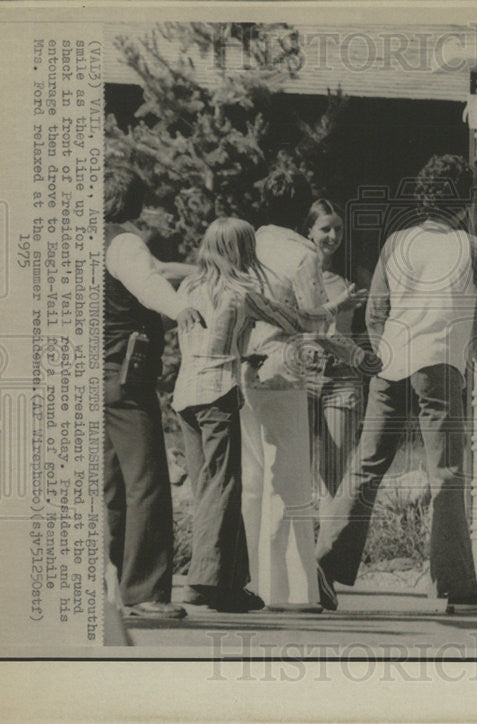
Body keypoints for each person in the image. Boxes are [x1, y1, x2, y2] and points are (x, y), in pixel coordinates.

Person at [315, 154, 477, 615]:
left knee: (366, 466)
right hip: (440, 367)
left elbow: (376, 312)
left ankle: (322, 567)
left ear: (426, 197)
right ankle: (457, 588)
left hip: (390, 362)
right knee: (447, 474)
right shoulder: (475, 249)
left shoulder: (397, 242)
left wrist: (381, 353)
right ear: (465, 200)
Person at [172, 217, 330, 612]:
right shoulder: (243, 291)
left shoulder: (188, 286)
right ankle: (208, 582)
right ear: (243, 252)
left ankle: (227, 580)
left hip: (183, 394)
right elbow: (292, 319)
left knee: (207, 488)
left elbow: (206, 339)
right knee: (226, 489)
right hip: (219, 392)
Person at [241, 170, 373, 612]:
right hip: (286, 367)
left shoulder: (250, 243)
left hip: (245, 366)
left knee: (255, 481)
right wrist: (338, 307)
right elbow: (313, 317)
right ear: (303, 219)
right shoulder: (302, 256)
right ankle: (289, 589)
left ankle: (252, 579)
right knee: (292, 482)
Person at [103, 165, 204, 619]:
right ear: (137, 203)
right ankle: (143, 591)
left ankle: (111, 582)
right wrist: (182, 306)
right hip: (123, 372)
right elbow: (147, 284)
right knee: (146, 480)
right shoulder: (124, 241)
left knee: (110, 484)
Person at [302, 199, 370, 517]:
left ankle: (328, 557)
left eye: (338, 229)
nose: (333, 236)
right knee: (297, 470)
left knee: (333, 474)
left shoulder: (351, 277)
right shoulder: (297, 274)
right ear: (309, 232)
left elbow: (368, 327)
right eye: (325, 229)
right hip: (303, 373)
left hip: (342, 376)